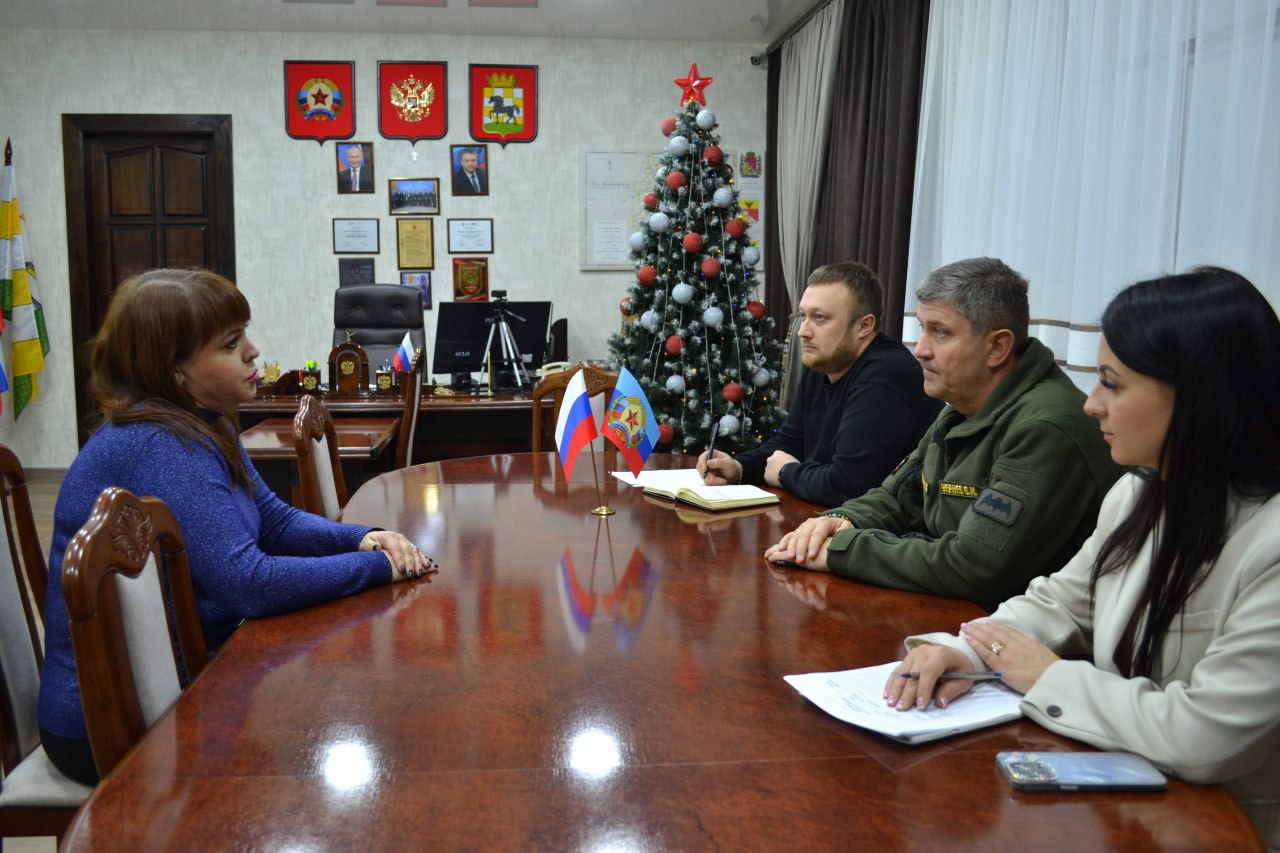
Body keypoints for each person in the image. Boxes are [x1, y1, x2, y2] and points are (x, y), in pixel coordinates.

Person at [885, 267, 1280, 849]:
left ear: (1199, 399)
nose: (1092, 404)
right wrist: (964, 651)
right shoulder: (1138, 494)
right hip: (1125, 804)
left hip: (1225, 831)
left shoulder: (1269, 542)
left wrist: (1048, 676)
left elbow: (1203, 736)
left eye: (1111, 384)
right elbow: (1063, 602)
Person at [36, 268, 435, 786]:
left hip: (185, 676)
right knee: (338, 733)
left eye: (244, 333)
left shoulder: (203, 421)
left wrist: (362, 538)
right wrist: (377, 569)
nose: (253, 351)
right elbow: (249, 583)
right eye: (230, 343)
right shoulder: (162, 445)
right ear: (174, 370)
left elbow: (273, 521)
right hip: (112, 725)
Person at [765, 257, 1121, 611]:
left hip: (1021, 633)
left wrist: (844, 549)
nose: (920, 349)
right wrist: (839, 520)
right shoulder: (962, 407)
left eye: (940, 332)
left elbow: (975, 566)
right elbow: (897, 497)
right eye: (922, 328)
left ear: (997, 347)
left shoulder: (1045, 428)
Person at [696, 262, 941, 506]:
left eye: (819, 318)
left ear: (864, 326)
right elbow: (790, 444)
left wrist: (786, 472)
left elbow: (848, 486)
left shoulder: (885, 374)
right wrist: (739, 467)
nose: (803, 331)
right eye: (804, 316)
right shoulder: (827, 361)